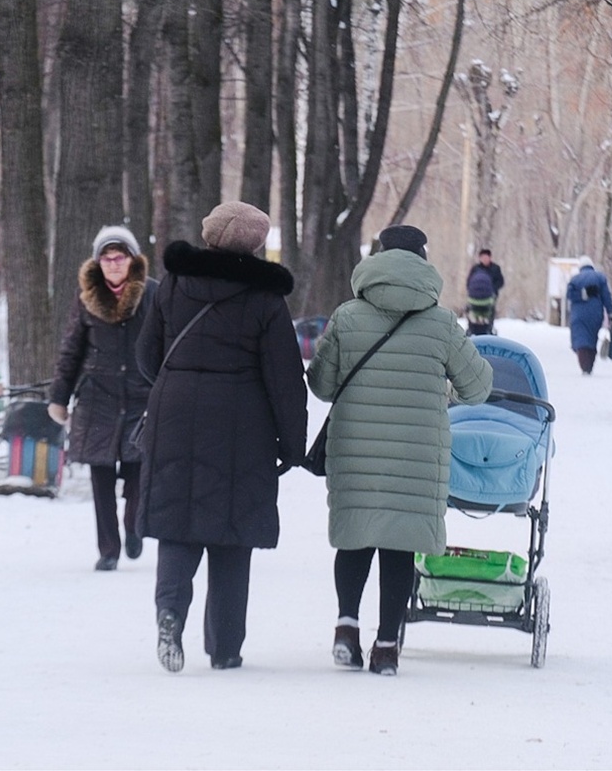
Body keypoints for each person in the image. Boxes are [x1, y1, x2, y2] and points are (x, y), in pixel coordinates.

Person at [306, 225, 493, 676]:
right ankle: (386, 647)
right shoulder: (442, 323)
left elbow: (322, 384)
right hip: (416, 454)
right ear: (423, 262)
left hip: (356, 448)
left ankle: (346, 628)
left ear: (377, 259)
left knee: (355, 537)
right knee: (400, 547)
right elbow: (479, 386)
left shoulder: (348, 316)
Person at [136, 201, 308, 673]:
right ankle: (225, 647)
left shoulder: (173, 283)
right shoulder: (266, 299)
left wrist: (177, 387)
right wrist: (293, 446)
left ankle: (170, 613)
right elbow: (285, 379)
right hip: (242, 426)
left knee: (178, 524)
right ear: (254, 245)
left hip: (173, 415)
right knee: (233, 534)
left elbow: (148, 356)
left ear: (210, 234)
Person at [49, 226, 155, 572]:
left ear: (131, 260)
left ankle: (134, 527)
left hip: (141, 399)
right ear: (98, 262)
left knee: (139, 472)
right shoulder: (87, 300)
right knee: (102, 479)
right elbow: (71, 352)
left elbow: (167, 346)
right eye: (106, 258)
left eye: (119, 257)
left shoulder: (152, 296)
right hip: (98, 400)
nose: (113, 264)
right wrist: (59, 397)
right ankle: (108, 550)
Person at [566, 255, 612, 375]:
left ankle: (584, 365)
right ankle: (590, 365)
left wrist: (583, 294)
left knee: (581, 340)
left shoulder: (574, 279)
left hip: (578, 315)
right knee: (592, 339)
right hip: (595, 313)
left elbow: (569, 295)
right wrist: (610, 313)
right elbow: (606, 297)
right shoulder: (600, 278)